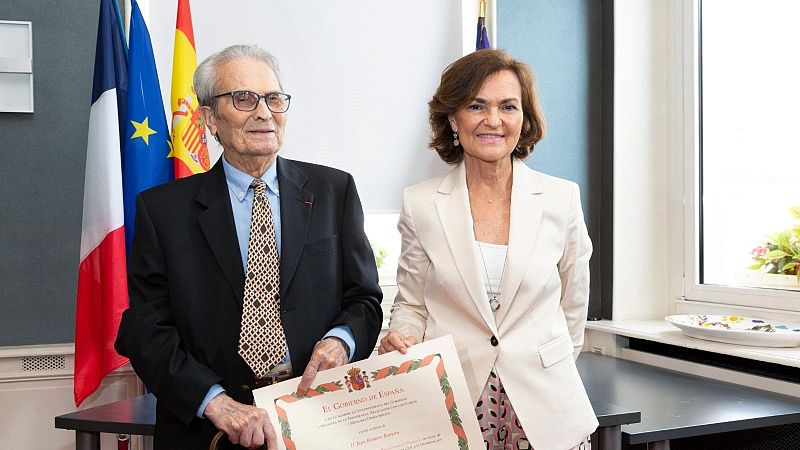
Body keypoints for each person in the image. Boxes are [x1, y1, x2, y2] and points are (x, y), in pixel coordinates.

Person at [115, 44, 382, 449]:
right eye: (244, 99)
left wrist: (341, 341)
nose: (264, 112)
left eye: (273, 98)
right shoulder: (162, 211)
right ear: (209, 119)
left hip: (318, 422)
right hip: (209, 432)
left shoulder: (334, 191)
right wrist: (216, 403)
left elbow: (364, 299)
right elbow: (147, 330)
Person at [379, 49, 596, 450]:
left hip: (546, 402)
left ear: (524, 120)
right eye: (476, 106)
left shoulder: (561, 199)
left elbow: (574, 304)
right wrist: (402, 337)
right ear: (452, 118)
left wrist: (547, 362)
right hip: (453, 398)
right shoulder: (421, 203)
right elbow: (411, 305)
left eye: (508, 107)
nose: (493, 120)